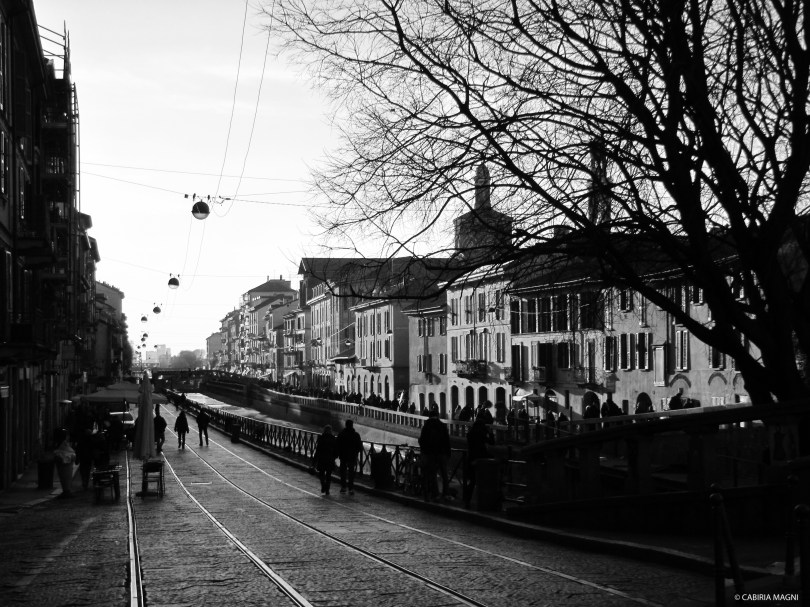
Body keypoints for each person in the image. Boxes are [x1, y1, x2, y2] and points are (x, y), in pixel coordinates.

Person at [418, 409, 451, 501]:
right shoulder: (442, 425)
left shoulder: (427, 426)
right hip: (442, 453)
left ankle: (435, 494)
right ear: (438, 415)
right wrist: (448, 453)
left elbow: (422, 440)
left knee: (433, 474)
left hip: (431, 453)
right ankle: (446, 493)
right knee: (444, 474)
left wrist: (424, 451)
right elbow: (447, 441)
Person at [463, 416, 492, 507]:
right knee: (483, 480)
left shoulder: (470, 434)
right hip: (482, 458)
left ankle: (467, 500)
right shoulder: (482, 434)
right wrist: (489, 433)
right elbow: (491, 442)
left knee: (472, 481)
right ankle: (482, 500)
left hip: (471, 458)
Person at [336, 420, 363, 494]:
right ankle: (351, 488)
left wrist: (338, 454)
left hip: (343, 456)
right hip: (352, 456)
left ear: (345, 425)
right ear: (352, 425)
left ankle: (343, 487)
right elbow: (360, 446)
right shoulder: (356, 435)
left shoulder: (341, 434)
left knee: (343, 472)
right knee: (351, 473)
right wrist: (356, 452)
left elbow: (337, 445)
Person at [313, 425, 338, 495]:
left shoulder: (321, 438)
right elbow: (336, 450)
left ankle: (323, 485)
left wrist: (314, 461)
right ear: (331, 431)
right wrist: (334, 457)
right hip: (330, 459)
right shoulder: (333, 438)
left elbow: (318, 450)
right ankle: (327, 489)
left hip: (322, 459)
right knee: (328, 475)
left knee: (321, 473)